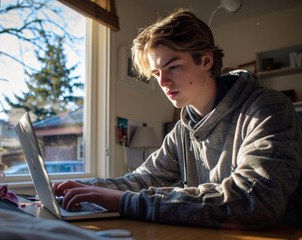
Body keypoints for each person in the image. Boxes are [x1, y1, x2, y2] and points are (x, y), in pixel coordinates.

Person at [53, 9, 302, 229]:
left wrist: (126, 202)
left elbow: (254, 200)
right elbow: (143, 179)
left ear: (206, 60)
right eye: (156, 72)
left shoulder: (268, 109)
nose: (162, 82)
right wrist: (81, 188)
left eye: (173, 67)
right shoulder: (184, 129)